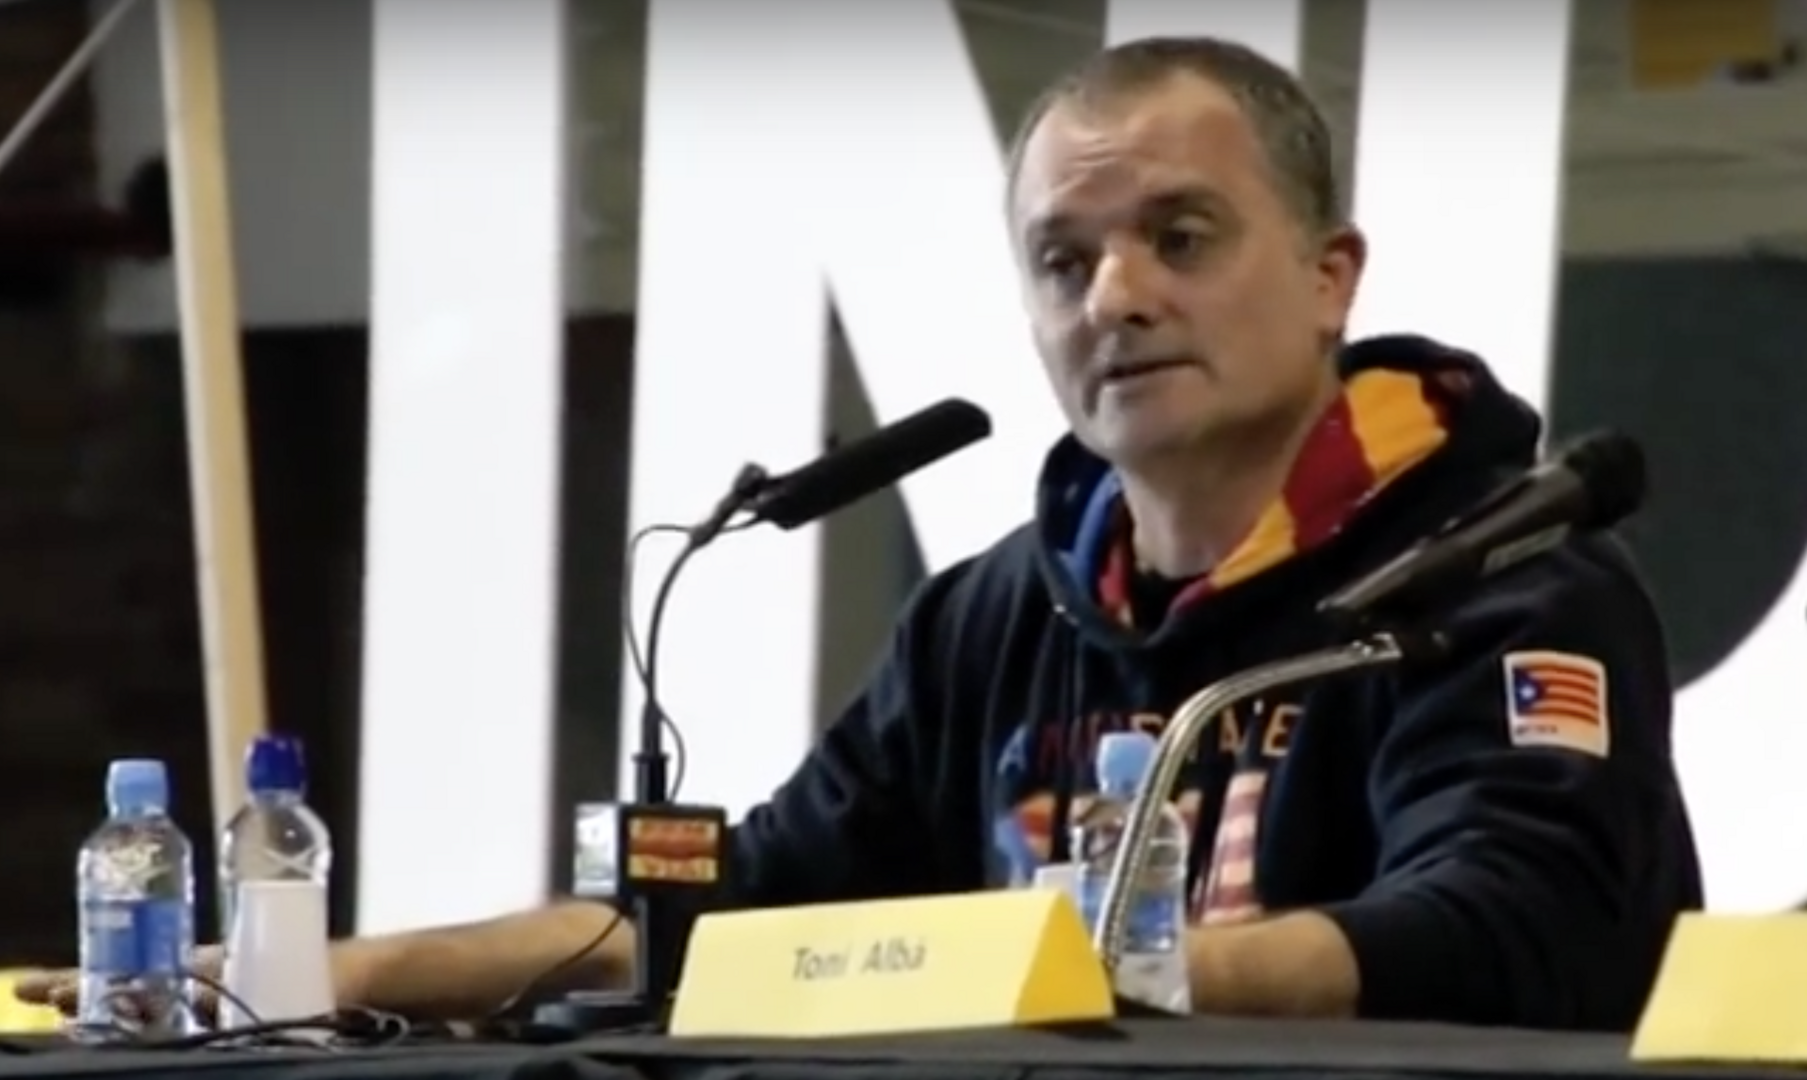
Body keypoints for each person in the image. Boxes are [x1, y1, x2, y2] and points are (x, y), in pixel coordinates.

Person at [21, 35, 1701, 1030]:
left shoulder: (1501, 576)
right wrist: (340, 971)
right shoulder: (993, 616)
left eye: (1181, 237)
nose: (1115, 297)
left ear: (1331, 276)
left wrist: (1080, 975)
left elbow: (1520, 928)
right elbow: (742, 906)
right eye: (1062, 262)